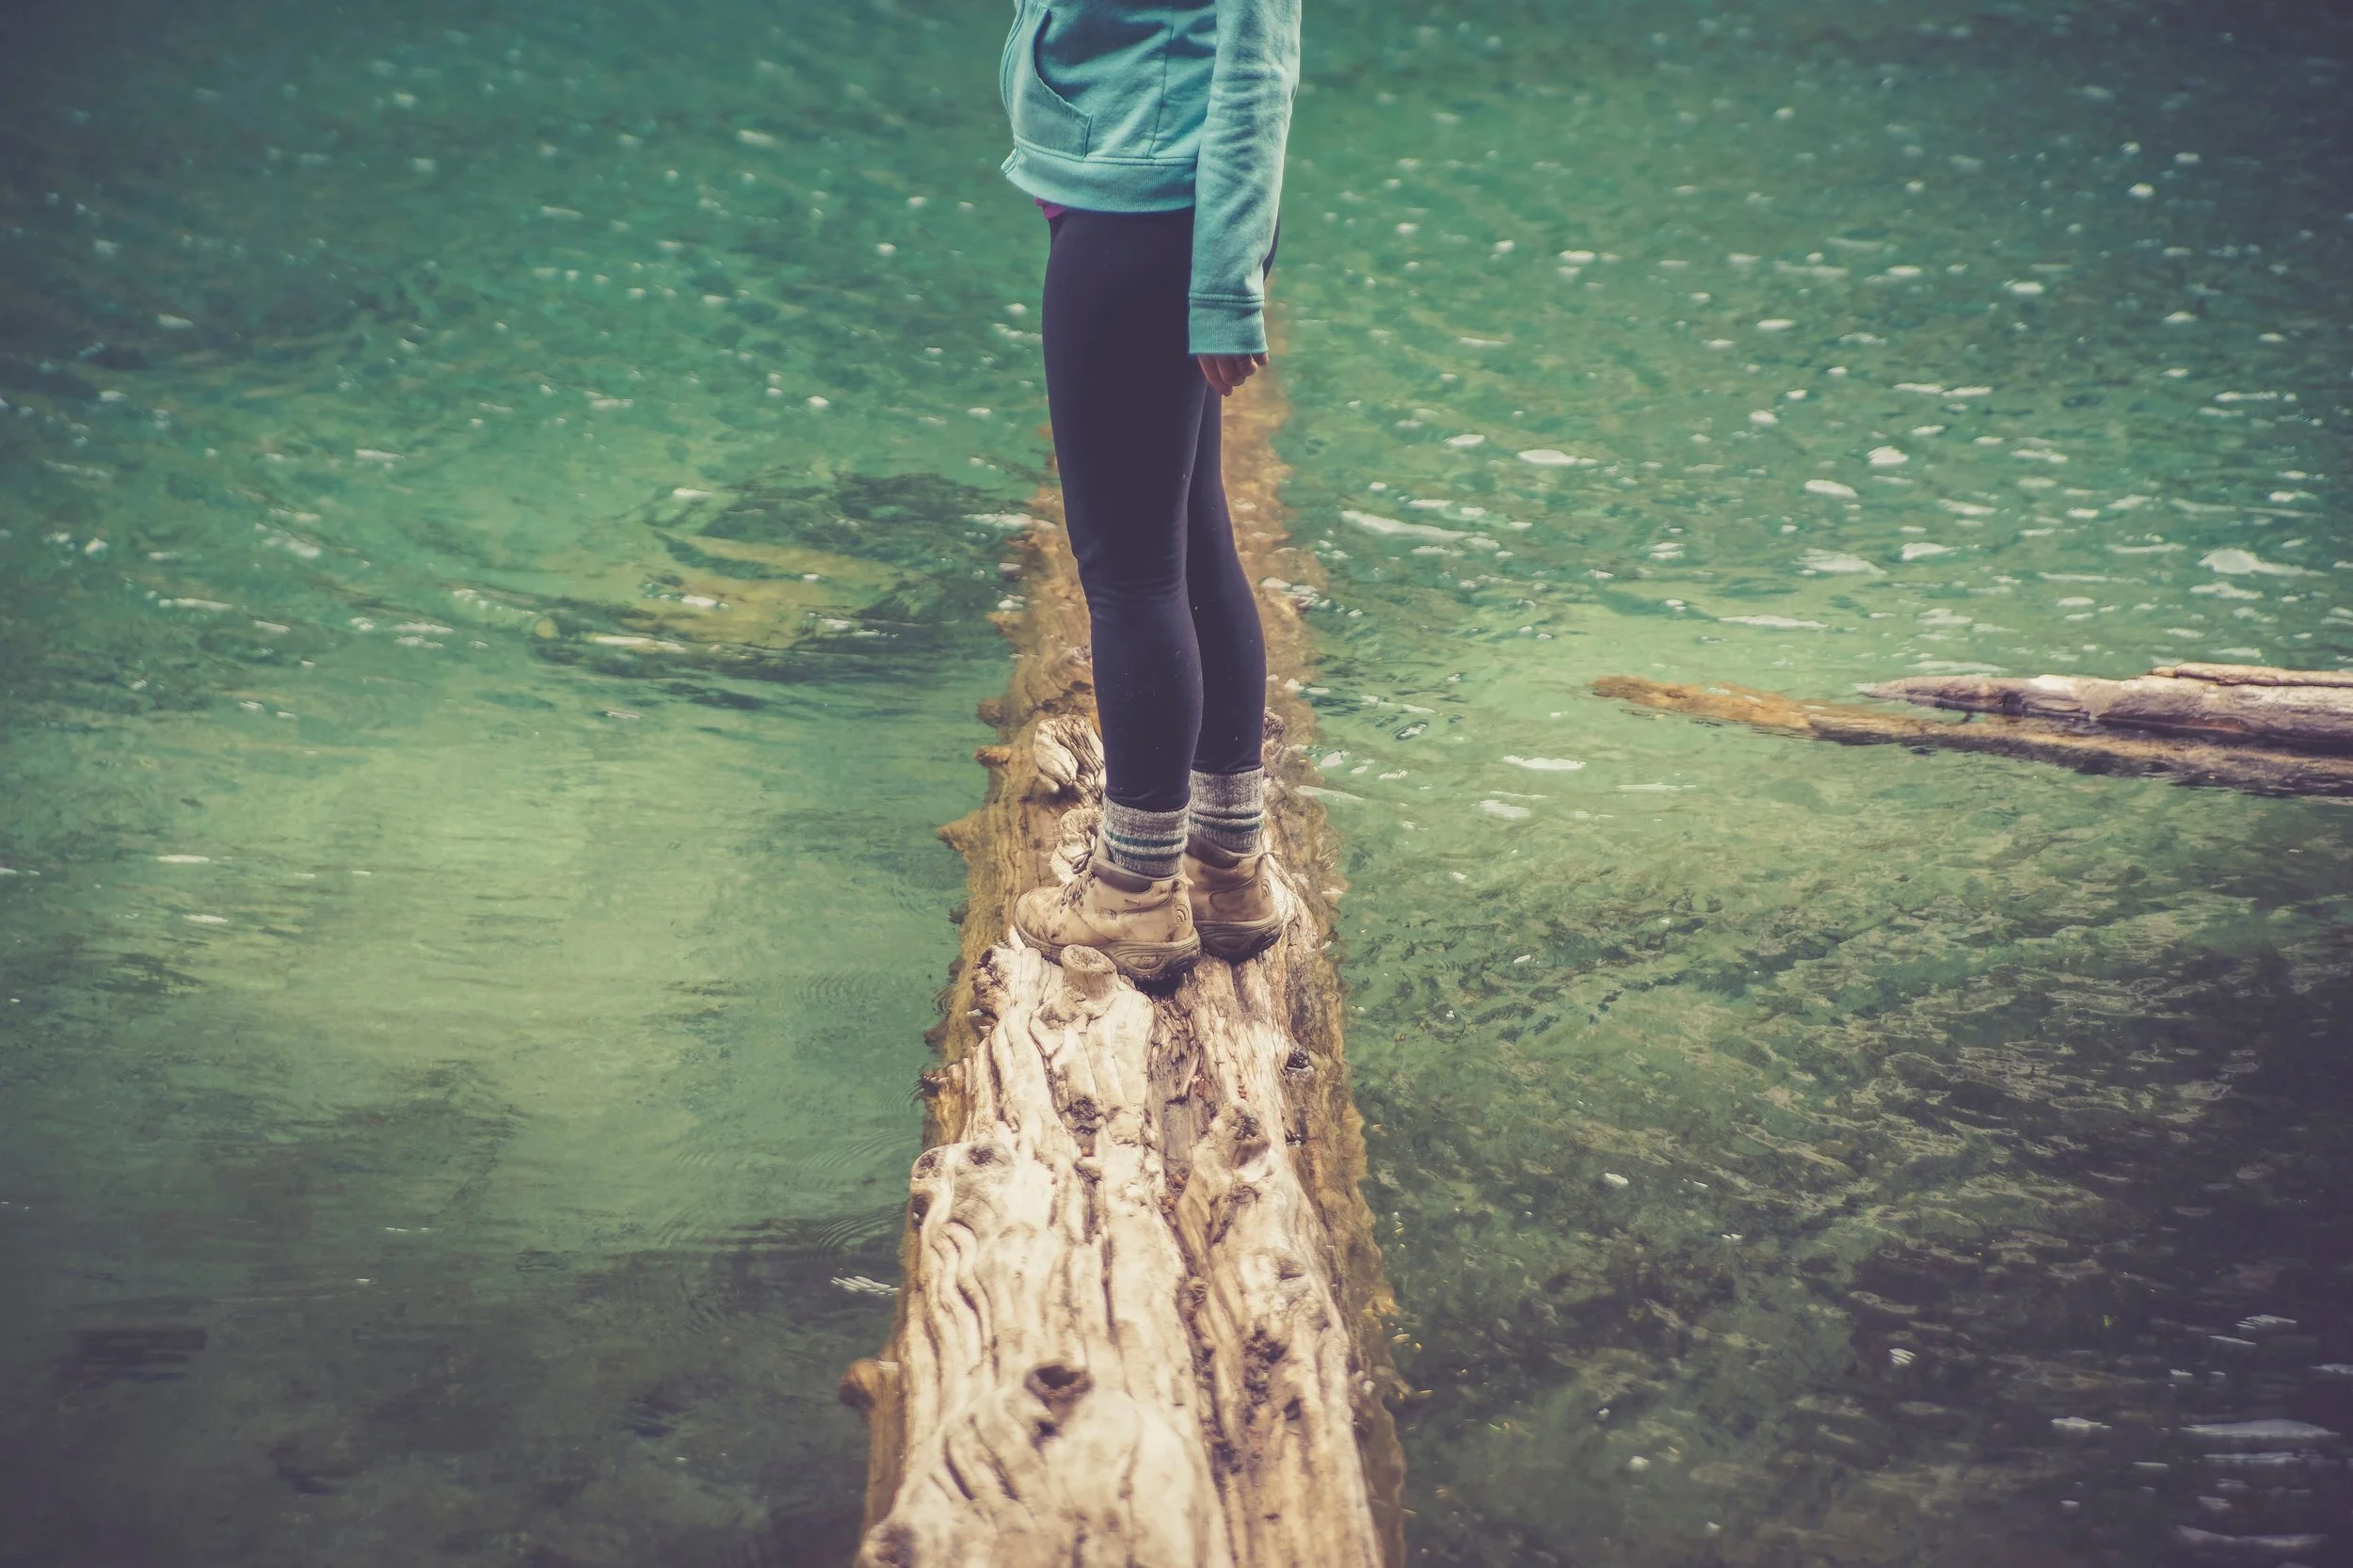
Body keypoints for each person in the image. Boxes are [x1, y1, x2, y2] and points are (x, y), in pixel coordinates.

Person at [999, 0, 1302, 984]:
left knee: (1126, 568)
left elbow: (1259, 69)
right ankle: (1228, 866)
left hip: (1146, 217)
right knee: (1190, 532)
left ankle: (1133, 889)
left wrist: (1223, 287)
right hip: (1130, 199)